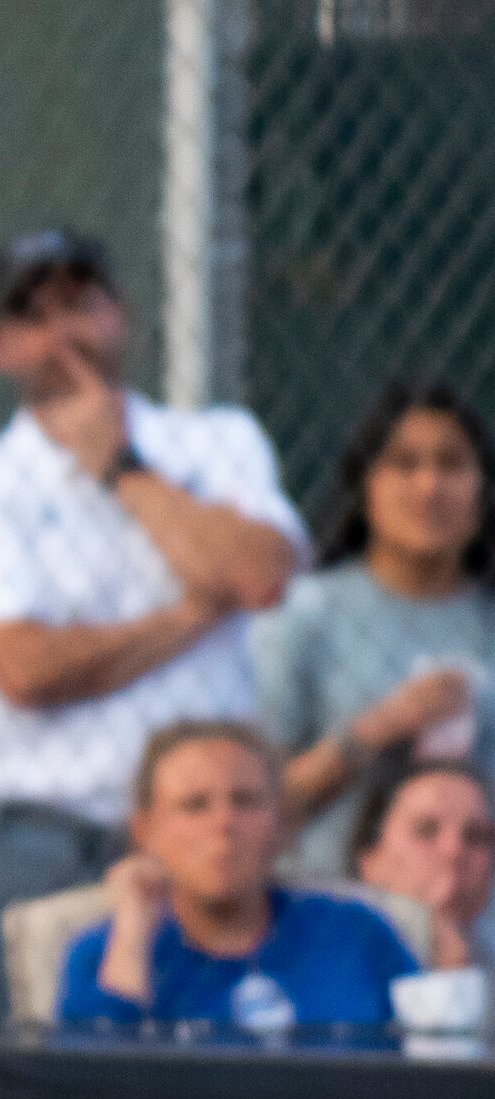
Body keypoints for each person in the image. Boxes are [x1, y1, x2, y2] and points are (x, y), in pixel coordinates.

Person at [0, 228, 304, 1011]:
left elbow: (259, 575)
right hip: (52, 832)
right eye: (32, 315)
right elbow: (25, 671)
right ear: (0, 346)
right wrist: (192, 611)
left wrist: (120, 468)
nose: (60, 334)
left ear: (121, 316)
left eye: (79, 305)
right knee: (47, 1072)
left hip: (215, 826)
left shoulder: (215, 441)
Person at [250, 383, 495, 874]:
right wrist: (379, 727)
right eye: (404, 464)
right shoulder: (307, 612)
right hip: (335, 904)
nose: (430, 486)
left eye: (451, 465)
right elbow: (255, 806)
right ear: (365, 486)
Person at [58, 720, 417, 1042]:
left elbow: (433, 1069)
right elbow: (84, 1096)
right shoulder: (104, 955)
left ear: (281, 824)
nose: (224, 823)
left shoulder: (357, 933)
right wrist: (133, 934)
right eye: (195, 805)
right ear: (145, 831)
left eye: (246, 801)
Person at [350, 755, 495, 970]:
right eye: (426, 830)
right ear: (370, 857)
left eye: (475, 836)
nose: (453, 850)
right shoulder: (325, 961)